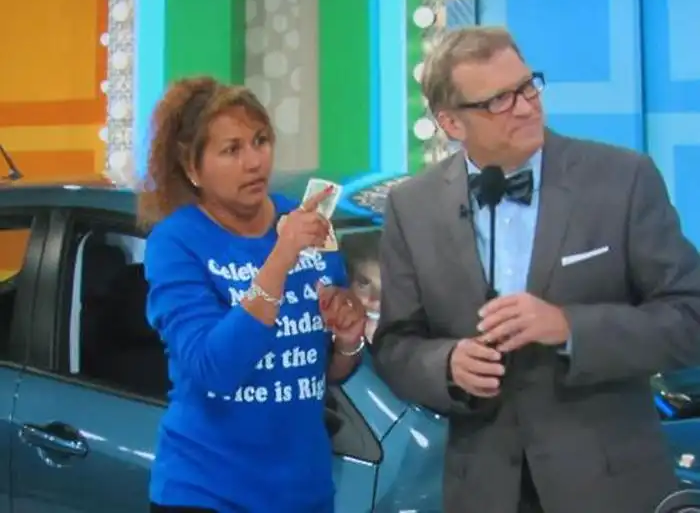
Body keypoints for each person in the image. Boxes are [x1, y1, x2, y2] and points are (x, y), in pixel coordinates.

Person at [370, 26, 700, 513]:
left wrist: (569, 327)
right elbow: (395, 345)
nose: (526, 107)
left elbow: (690, 317)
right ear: (452, 123)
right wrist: (447, 365)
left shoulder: (622, 179)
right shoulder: (411, 207)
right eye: (499, 100)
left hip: (609, 486)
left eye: (527, 87)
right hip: (483, 491)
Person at [139, 77, 367, 513]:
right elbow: (213, 369)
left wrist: (347, 341)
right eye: (232, 150)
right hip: (208, 492)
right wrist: (280, 257)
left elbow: (320, 372)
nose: (254, 162)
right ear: (192, 167)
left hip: (304, 492)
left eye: (260, 141)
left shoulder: (303, 221)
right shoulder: (175, 243)